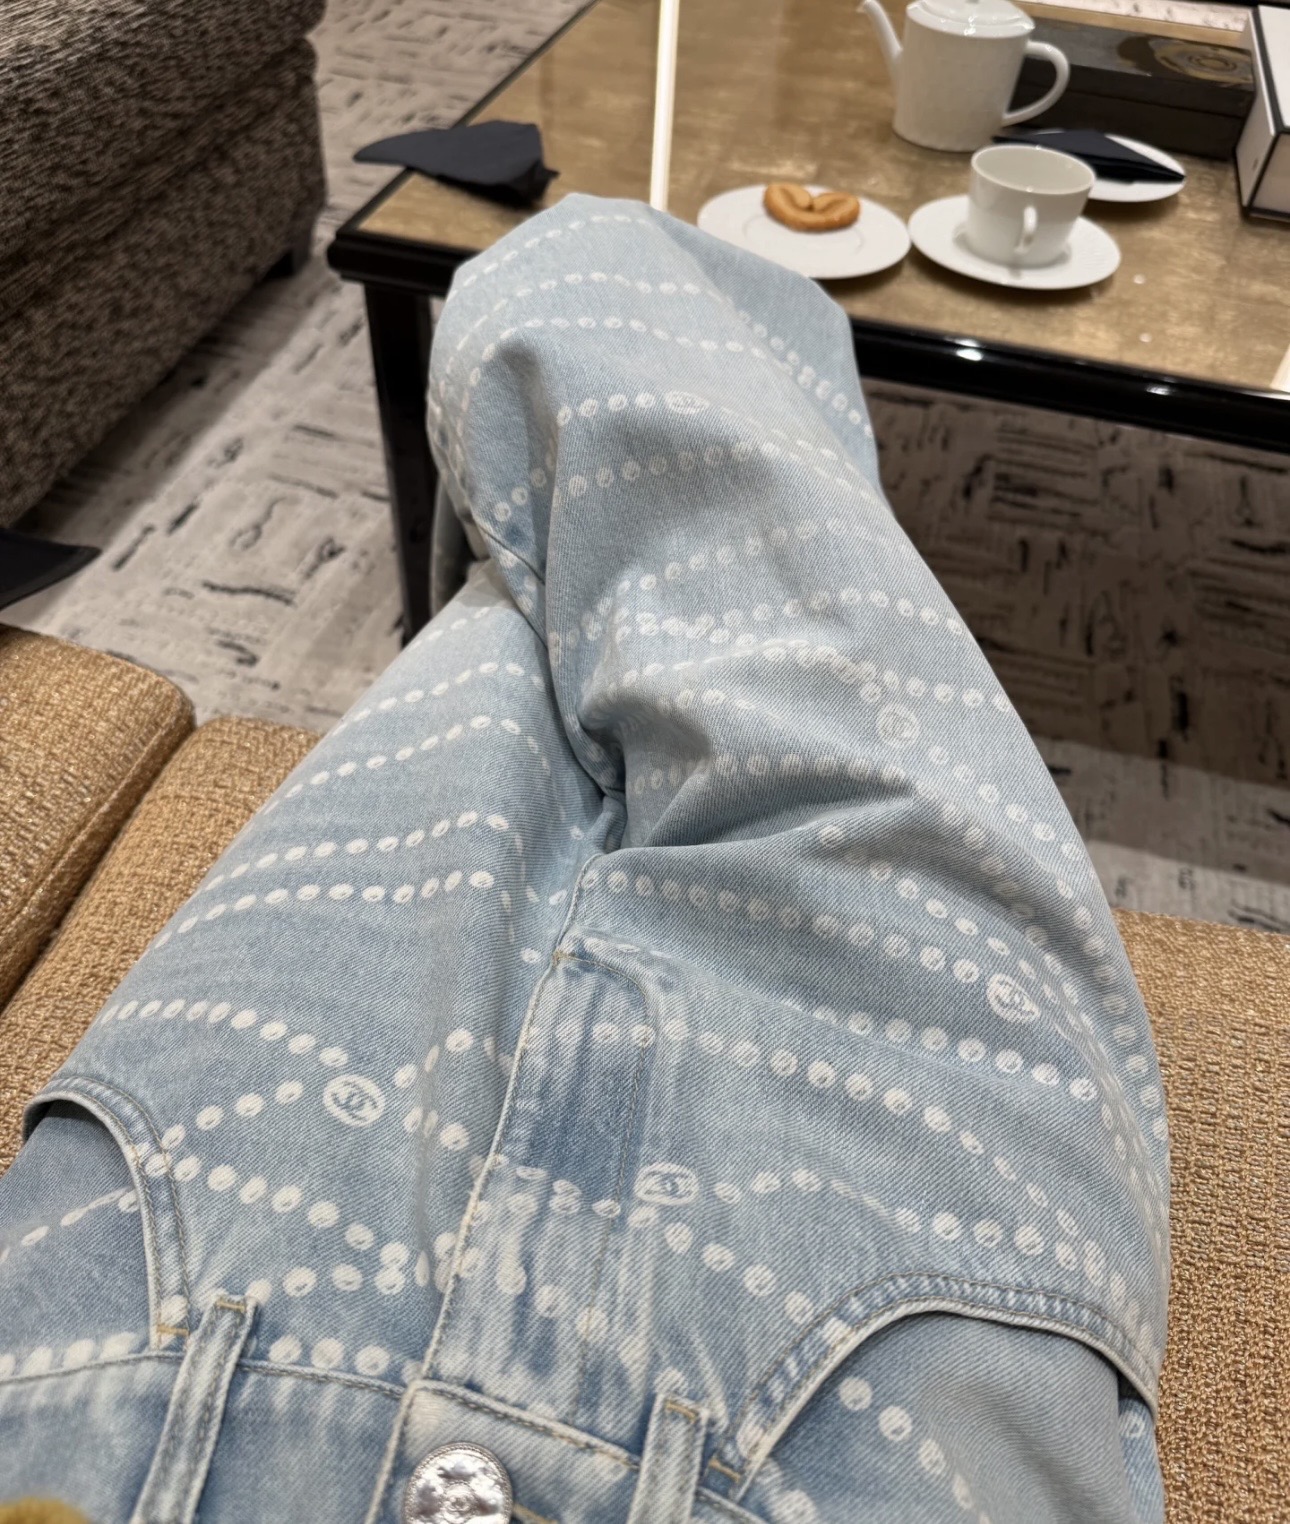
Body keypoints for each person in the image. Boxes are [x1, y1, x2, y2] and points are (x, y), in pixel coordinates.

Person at [0, 197, 1167, 1524]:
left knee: (532, 625)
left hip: (125, 1356)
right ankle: (707, 357)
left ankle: (661, 425)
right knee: (609, 369)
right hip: (865, 1421)